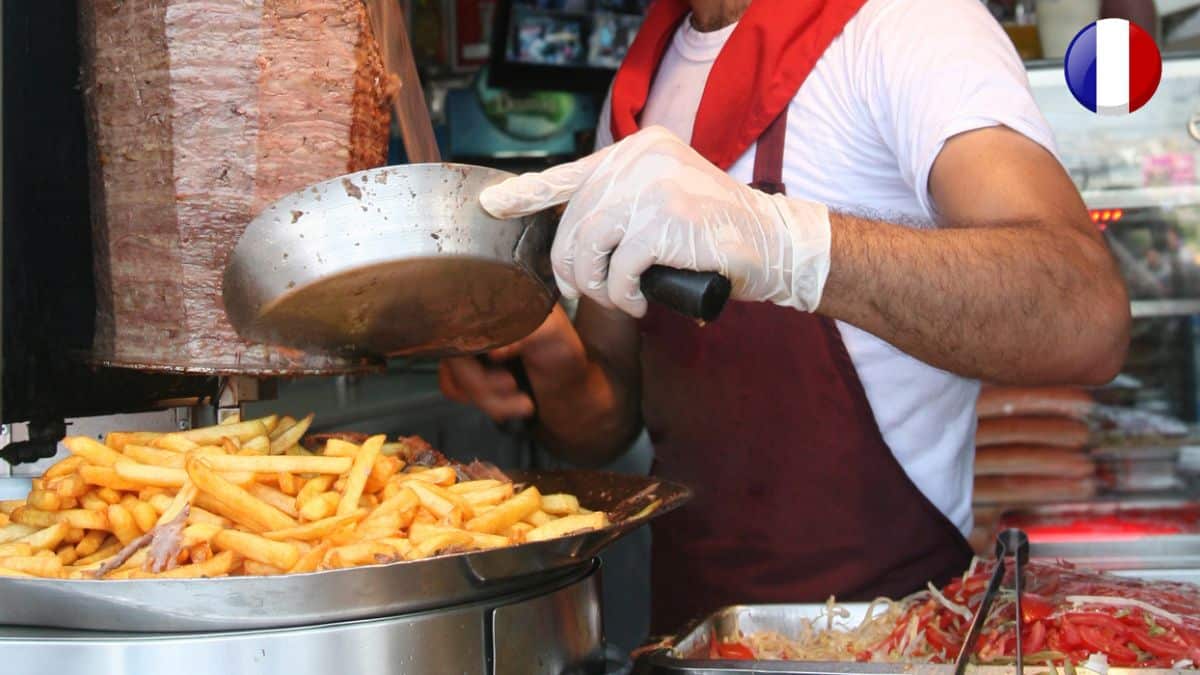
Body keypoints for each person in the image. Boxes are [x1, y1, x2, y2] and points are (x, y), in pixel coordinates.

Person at [441, 0, 1130, 634]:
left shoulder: (909, 23)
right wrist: (552, 356)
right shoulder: (642, 87)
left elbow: (1085, 312)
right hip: (694, 634)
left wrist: (791, 246)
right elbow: (606, 417)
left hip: (887, 637)